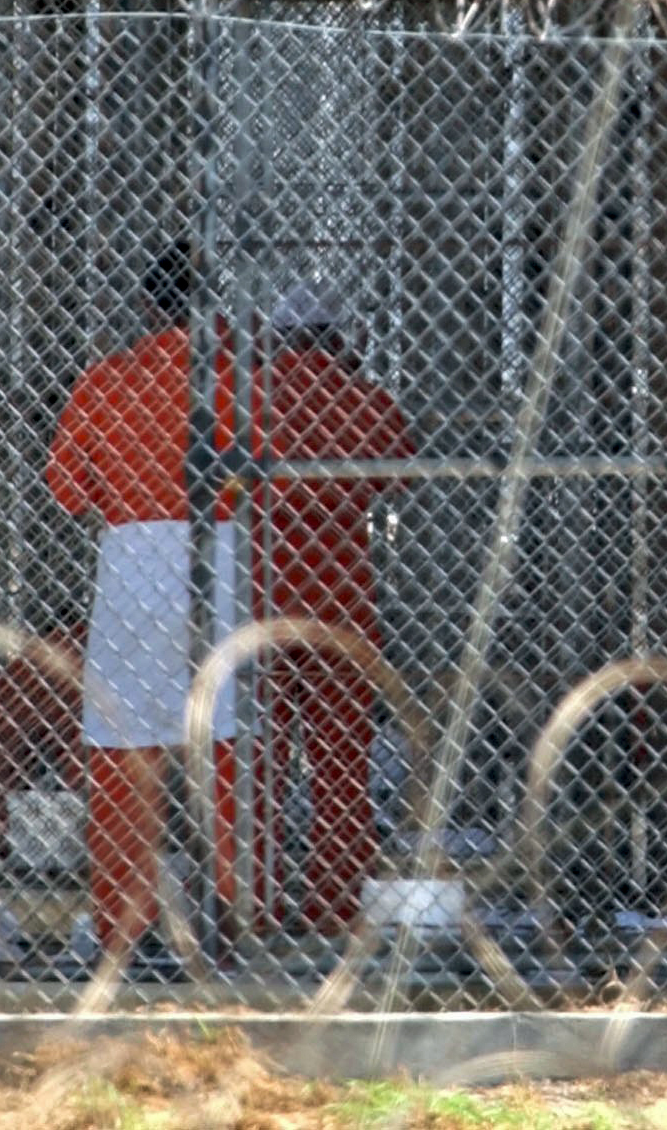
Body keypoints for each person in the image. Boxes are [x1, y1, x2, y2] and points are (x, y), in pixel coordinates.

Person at [45, 245, 241, 979]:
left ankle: (120, 925)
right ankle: (222, 920)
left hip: (130, 563)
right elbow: (264, 474)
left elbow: (67, 487)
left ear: (146, 306)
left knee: (125, 745)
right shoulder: (231, 379)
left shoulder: (106, 380)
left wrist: (124, 493)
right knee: (216, 737)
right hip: (216, 555)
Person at [251, 281, 414, 931]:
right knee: (341, 757)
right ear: (339, 338)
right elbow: (398, 471)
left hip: (260, 592)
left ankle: (254, 903)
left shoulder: (251, 393)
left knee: (258, 754)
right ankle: (334, 903)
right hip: (339, 593)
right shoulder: (362, 399)